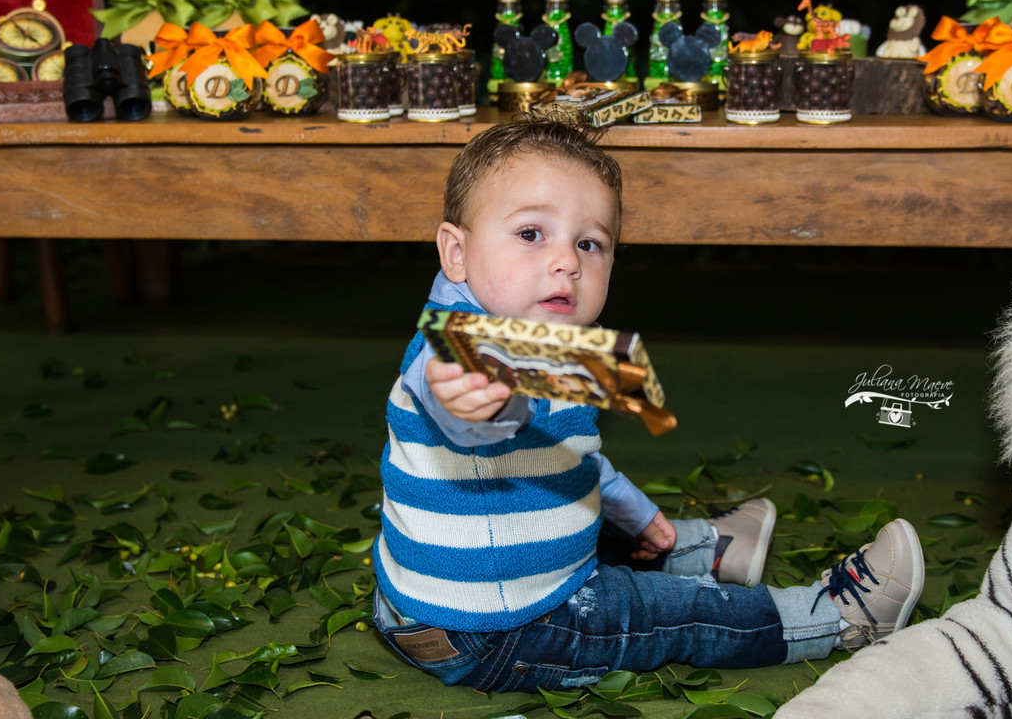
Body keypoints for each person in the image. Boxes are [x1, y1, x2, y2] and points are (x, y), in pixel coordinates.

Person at [371, 116, 925, 693]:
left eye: (589, 242)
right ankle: (838, 617)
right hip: (499, 630)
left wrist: (635, 511)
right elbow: (459, 407)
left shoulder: (539, 337)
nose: (567, 261)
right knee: (671, 613)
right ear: (455, 252)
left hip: (417, 605)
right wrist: (467, 401)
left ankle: (705, 547)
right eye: (532, 233)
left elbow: (564, 454)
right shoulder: (455, 350)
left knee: (580, 507)